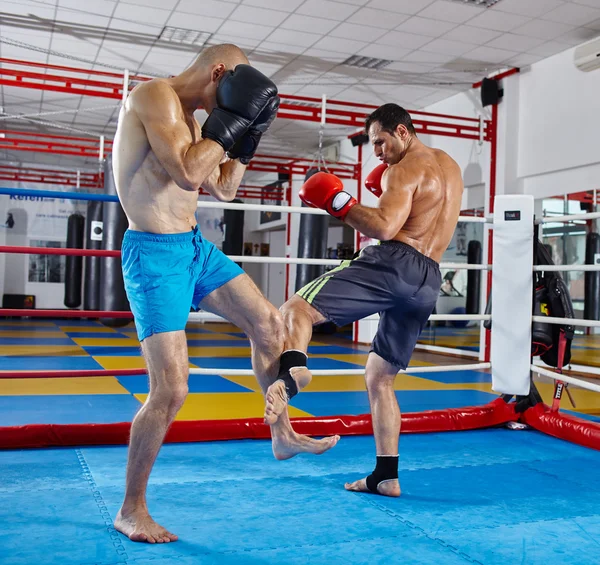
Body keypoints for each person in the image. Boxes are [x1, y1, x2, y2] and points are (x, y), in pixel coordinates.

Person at [112, 44, 335, 544]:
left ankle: (281, 435)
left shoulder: (194, 120)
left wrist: (248, 134)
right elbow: (189, 173)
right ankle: (131, 509)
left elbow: (225, 188)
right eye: (234, 95)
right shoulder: (152, 96)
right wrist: (232, 116)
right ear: (220, 75)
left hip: (194, 248)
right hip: (154, 254)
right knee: (171, 390)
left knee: (270, 324)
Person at [264, 103, 464, 497]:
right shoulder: (451, 167)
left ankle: (295, 371)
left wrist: (338, 202)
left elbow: (386, 227)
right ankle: (386, 475)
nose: (377, 152)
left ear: (403, 132)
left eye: (381, 142)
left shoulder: (403, 169)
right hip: (428, 280)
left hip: (395, 264)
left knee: (295, 309)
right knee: (378, 376)